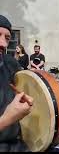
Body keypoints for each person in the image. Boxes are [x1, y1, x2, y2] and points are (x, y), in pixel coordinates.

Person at [0, 15, 33, 151]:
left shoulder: (10, 64)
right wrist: (7, 118)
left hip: (17, 146)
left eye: (7, 38)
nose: (3, 44)